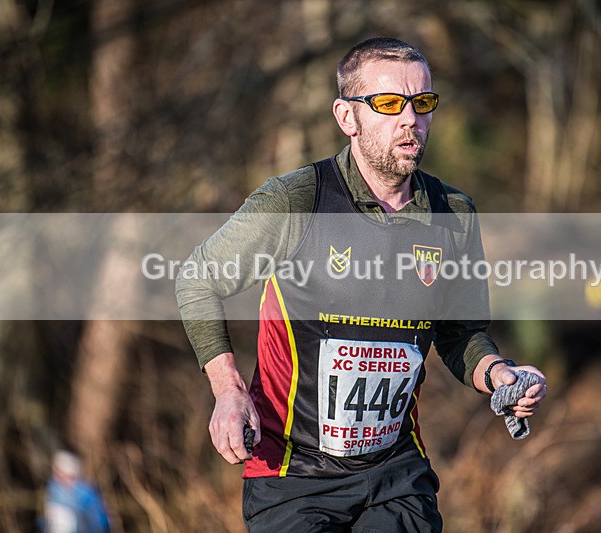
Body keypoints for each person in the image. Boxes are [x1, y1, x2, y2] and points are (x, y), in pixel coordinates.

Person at [176, 36, 547, 532]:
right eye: (389, 103)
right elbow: (198, 278)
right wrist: (228, 390)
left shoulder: (453, 213)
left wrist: (500, 373)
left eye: (423, 103)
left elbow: (460, 334)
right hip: (293, 473)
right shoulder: (298, 199)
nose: (409, 119)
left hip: (395, 472)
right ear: (346, 117)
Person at [42, 450, 110, 533]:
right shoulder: (53, 489)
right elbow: (48, 519)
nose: (57, 476)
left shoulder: (85, 494)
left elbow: (99, 522)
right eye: (56, 472)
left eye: (60, 472)